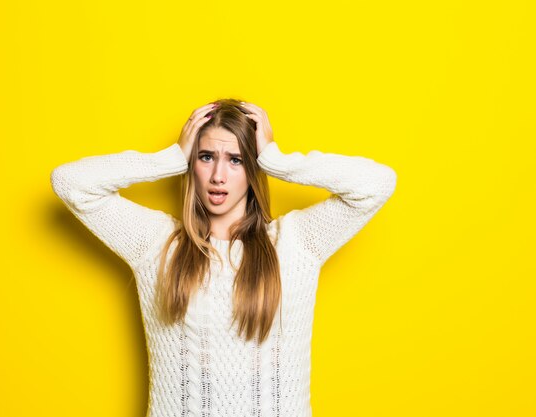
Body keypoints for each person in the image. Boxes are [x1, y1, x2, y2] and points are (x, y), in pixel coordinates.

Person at [50, 98, 397, 417]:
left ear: (253, 167)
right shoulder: (156, 243)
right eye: (206, 157)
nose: (218, 175)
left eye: (236, 160)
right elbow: (70, 182)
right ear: (192, 163)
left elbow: (377, 183)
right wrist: (169, 159)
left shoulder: (296, 243)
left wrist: (276, 160)